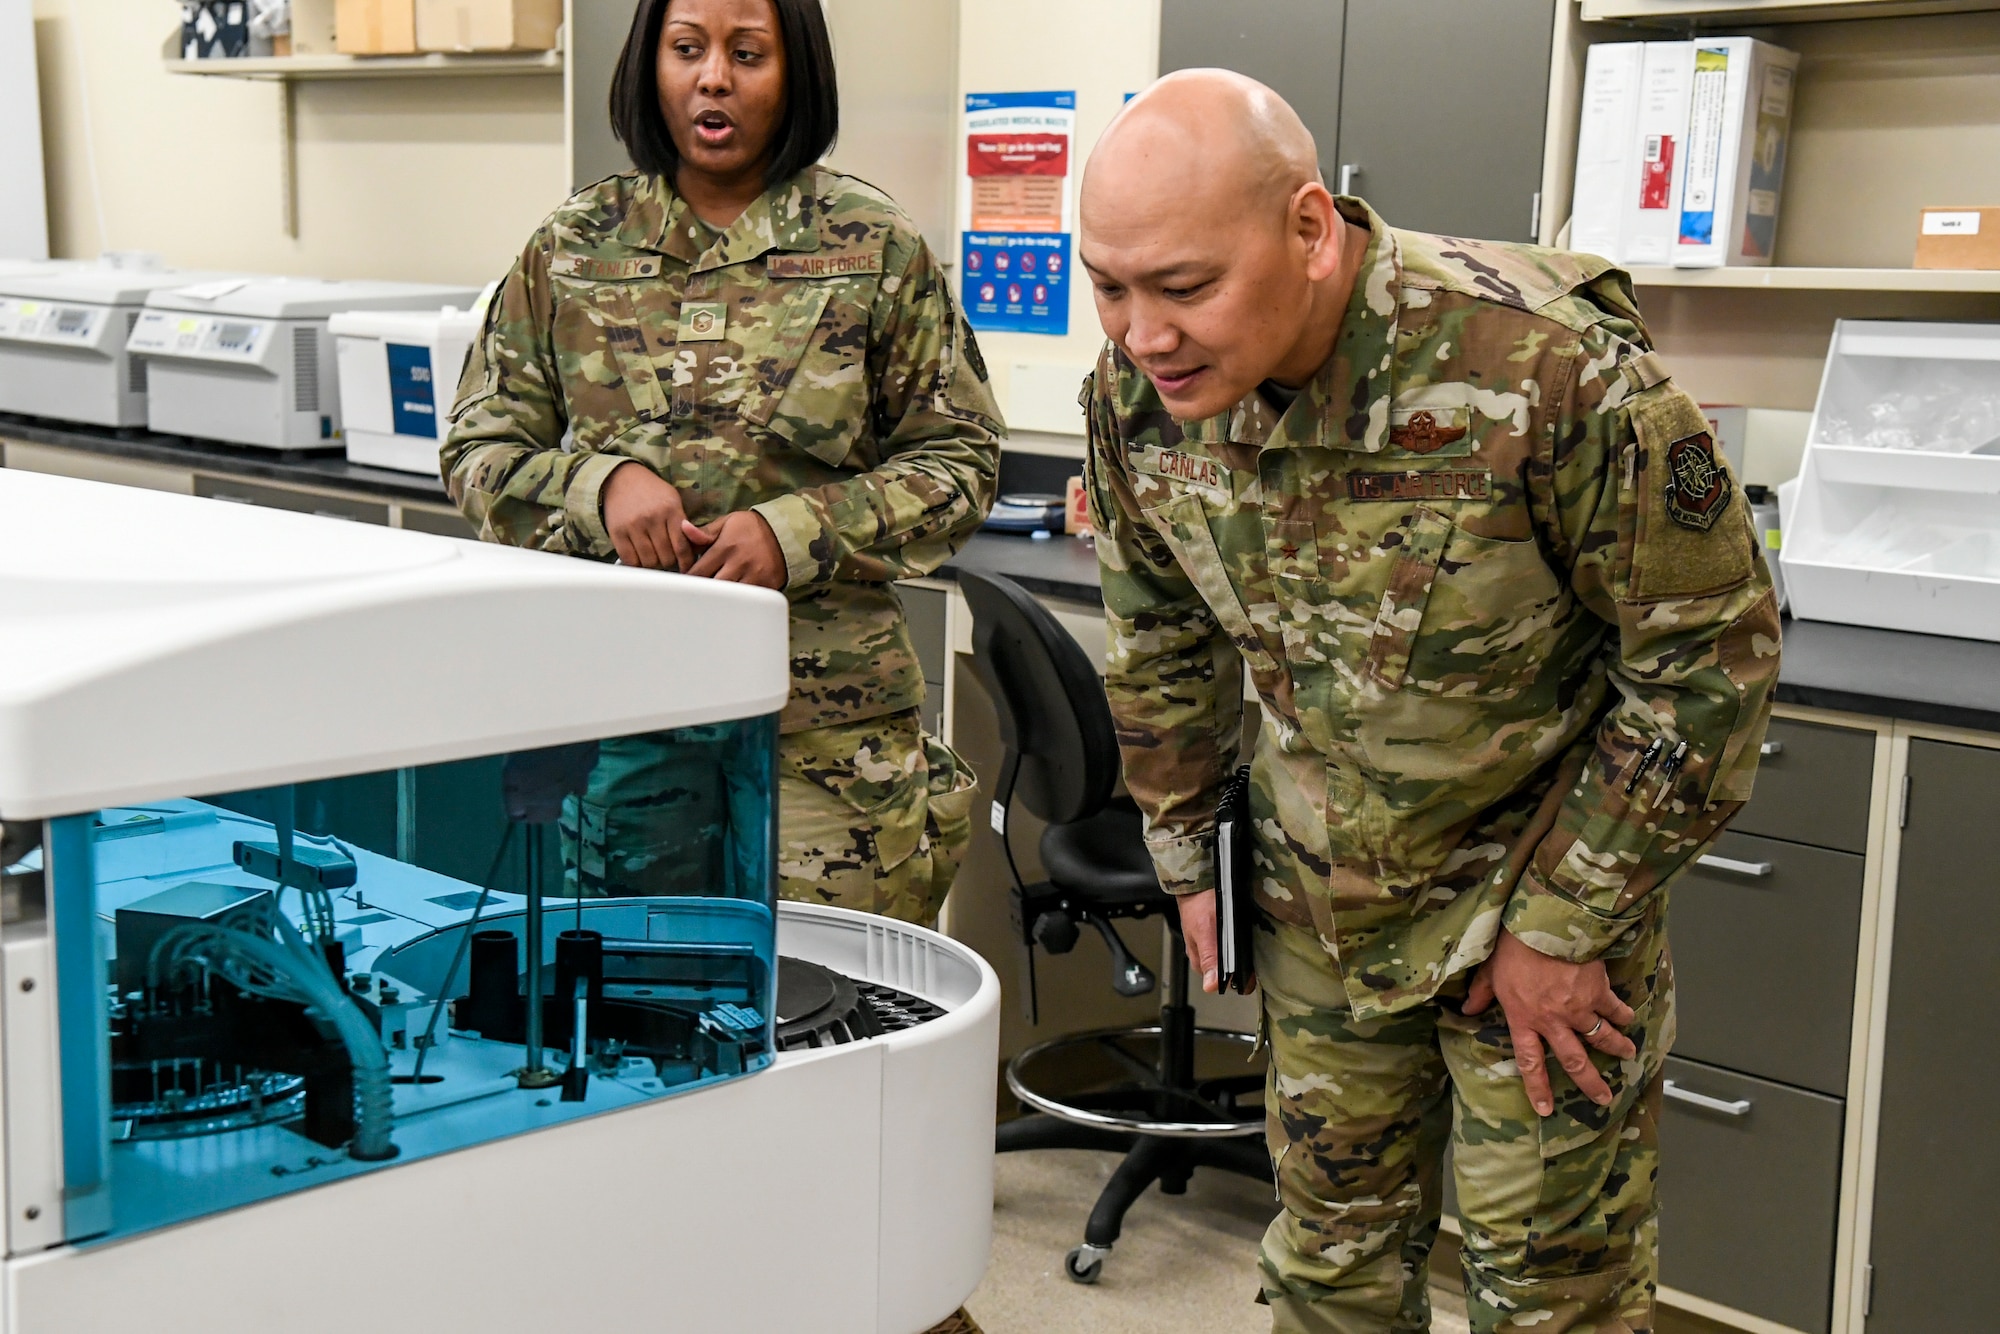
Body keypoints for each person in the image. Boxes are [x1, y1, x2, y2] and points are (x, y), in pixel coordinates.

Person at [1077, 71, 1779, 1334]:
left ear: (1306, 227)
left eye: (1182, 287)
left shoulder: (1546, 369)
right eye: (1108, 286)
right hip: (1317, 913)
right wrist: (1190, 859)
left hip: (1539, 921)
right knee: (1325, 1277)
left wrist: (1562, 927)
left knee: (1547, 1303)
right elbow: (1156, 626)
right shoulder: (1137, 395)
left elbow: (1706, 665)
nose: (1142, 334)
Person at [441, 0, 1001, 935]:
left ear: (796, 73)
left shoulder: (874, 246)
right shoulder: (573, 248)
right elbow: (476, 449)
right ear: (649, 66)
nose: (715, 79)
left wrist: (798, 535)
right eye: (688, 49)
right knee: (634, 1015)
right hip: (625, 720)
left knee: (832, 1016)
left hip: (824, 726)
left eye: (748, 53)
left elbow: (962, 459)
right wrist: (598, 488)